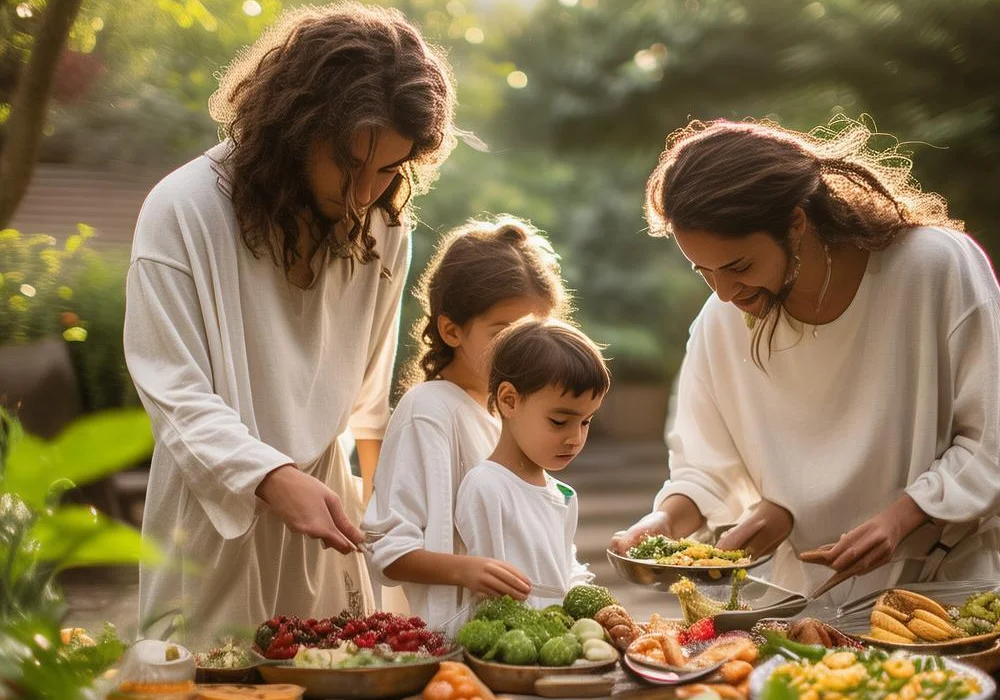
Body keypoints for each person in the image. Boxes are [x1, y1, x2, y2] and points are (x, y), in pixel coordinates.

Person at [123, 3, 457, 643]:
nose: (365, 192)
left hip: (328, 517)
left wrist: (382, 515)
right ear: (295, 126)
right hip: (211, 518)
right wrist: (270, 478)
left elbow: (367, 398)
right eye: (350, 165)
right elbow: (174, 391)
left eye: (388, 169)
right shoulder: (183, 210)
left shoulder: (384, 226)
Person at [611, 117, 1000, 603]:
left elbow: (990, 436)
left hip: (950, 590)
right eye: (704, 272)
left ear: (796, 223)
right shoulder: (721, 322)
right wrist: (663, 522)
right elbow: (705, 470)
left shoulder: (933, 267)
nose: (726, 293)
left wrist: (902, 518)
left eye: (739, 266)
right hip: (812, 604)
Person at [363, 217, 569, 630]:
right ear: (451, 330)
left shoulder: (510, 410)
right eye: (504, 331)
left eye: (534, 330)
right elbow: (388, 548)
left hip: (527, 639)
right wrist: (466, 570)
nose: (522, 348)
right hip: (459, 649)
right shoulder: (429, 411)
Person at [456, 320, 609, 612]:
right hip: (510, 646)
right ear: (509, 401)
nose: (575, 438)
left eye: (586, 422)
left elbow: (565, 572)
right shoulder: (487, 486)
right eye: (559, 422)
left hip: (561, 644)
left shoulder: (563, 495)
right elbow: (494, 597)